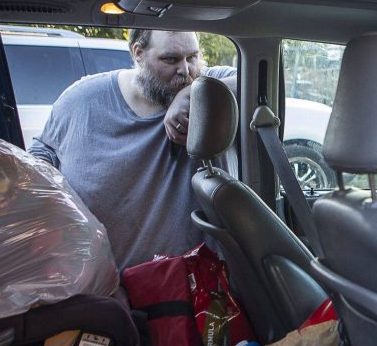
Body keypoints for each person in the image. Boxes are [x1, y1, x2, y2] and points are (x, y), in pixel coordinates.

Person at [29, 29, 235, 269]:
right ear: (138, 53)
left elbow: (259, 84)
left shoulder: (205, 85)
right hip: (99, 282)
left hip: (184, 287)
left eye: (192, 57)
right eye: (170, 59)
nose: (185, 70)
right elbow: (40, 158)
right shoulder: (81, 100)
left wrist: (192, 94)